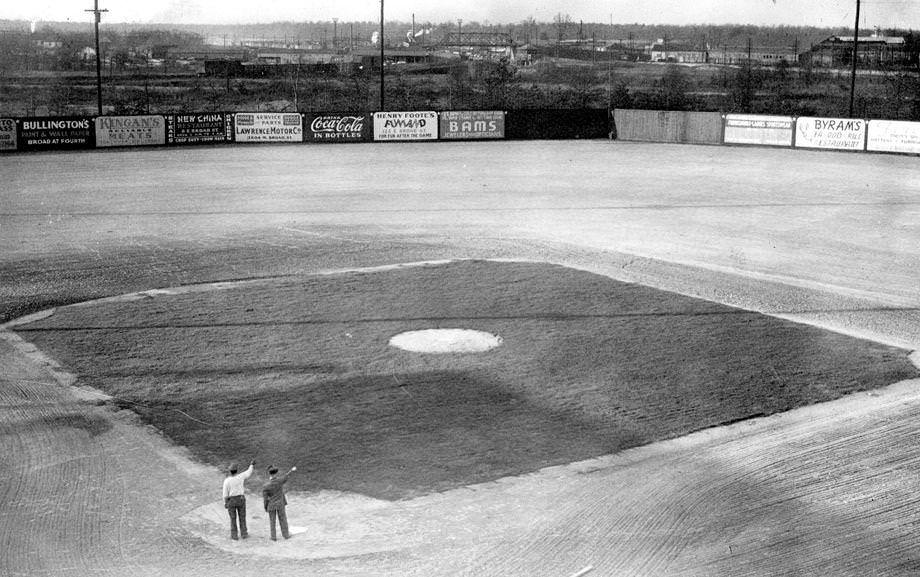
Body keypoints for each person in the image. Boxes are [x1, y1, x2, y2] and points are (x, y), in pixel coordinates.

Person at [262, 465, 296, 541]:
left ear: (269, 473)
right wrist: (291, 470)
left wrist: (265, 507)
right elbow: (286, 476)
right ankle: (286, 535)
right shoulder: (280, 481)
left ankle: (273, 537)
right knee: (283, 519)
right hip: (280, 504)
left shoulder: (266, 486)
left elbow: (265, 499)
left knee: (272, 521)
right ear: (276, 473)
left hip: (271, 505)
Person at [222, 460, 254, 540]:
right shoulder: (241, 476)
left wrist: (225, 503)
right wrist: (251, 464)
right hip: (241, 499)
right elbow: (248, 472)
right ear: (237, 470)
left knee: (233, 518)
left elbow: (225, 495)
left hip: (231, 501)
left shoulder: (227, 481)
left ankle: (234, 535)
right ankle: (244, 533)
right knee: (242, 517)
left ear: (230, 471)